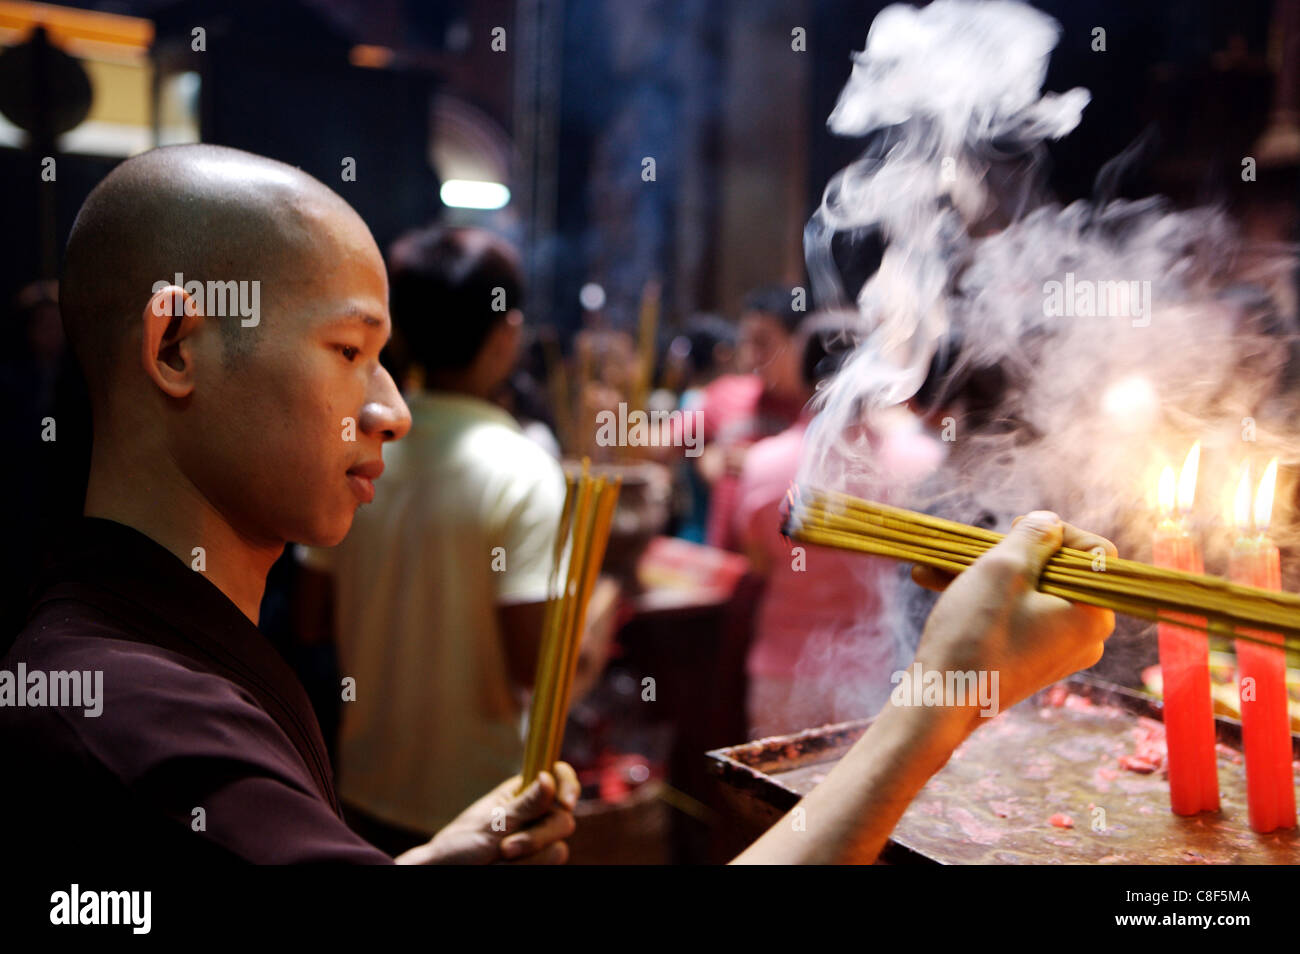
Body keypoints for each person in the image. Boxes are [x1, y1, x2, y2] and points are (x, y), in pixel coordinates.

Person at [0, 145, 578, 864]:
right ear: (178, 346)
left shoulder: (147, 634)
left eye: (383, 360)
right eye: (346, 350)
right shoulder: (134, 721)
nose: (393, 411)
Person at [295, 225, 618, 851]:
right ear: (508, 334)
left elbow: (311, 618)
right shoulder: (522, 470)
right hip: (483, 814)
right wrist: (600, 604)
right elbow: (538, 667)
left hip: (357, 791)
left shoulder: (361, 448)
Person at [735, 313, 945, 737]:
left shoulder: (761, 463)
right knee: (868, 800)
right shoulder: (919, 461)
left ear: (803, 369)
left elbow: (758, 563)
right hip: (873, 672)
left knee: (778, 799)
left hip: (783, 671)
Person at [697, 286, 808, 551]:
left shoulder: (816, 411)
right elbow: (665, 442)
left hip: (787, 570)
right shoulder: (727, 393)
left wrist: (760, 466)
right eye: (746, 342)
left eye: (763, 342)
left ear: (797, 343)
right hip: (724, 565)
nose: (751, 357)